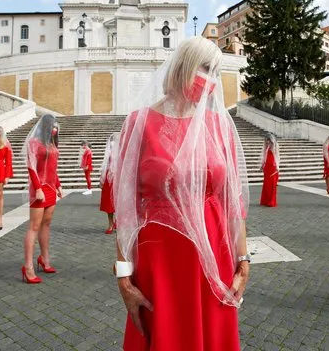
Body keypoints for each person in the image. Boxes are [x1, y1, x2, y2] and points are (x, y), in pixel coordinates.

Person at [113, 37, 250, 350]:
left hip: (215, 257)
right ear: (182, 66)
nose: (210, 79)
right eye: (204, 68)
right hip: (160, 260)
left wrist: (243, 259)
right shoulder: (139, 123)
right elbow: (126, 208)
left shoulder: (221, 127)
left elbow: (233, 202)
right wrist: (123, 276)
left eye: (215, 71)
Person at [21, 114, 63, 284]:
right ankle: (28, 266)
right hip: (39, 188)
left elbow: (54, 167)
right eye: (52, 126)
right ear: (46, 126)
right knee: (34, 226)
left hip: (51, 188)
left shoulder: (52, 143)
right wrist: (38, 188)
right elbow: (31, 167)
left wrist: (59, 185)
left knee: (46, 224)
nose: (55, 129)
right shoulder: (34, 143)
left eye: (56, 127)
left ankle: (44, 259)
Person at [99, 133, 119, 234]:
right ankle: (111, 224)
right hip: (109, 177)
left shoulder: (121, 149)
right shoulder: (109, 151)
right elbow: (105, 163)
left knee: (119, 202)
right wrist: (102, 178)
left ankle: (117, 222)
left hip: (119, 176)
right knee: (108, 202)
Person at [260, 134, 280, 207]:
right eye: (266, 140)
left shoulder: (274, 147)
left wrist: (277, 167)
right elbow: (265, 157)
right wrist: (262, 165)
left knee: (272, 185)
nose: (267, 142)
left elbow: (277, 157)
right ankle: (266, 200)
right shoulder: (267, 147)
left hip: (272, 168)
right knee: (266, 185)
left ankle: (271, 201)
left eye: (268, 140)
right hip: (267, 168)